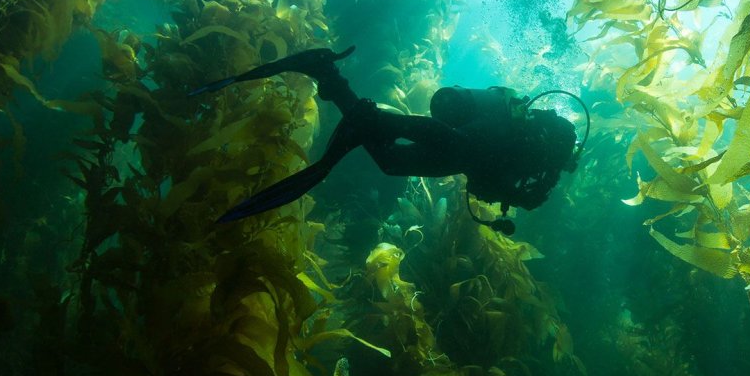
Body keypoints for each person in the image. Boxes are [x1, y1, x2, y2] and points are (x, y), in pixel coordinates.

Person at [189, 46, 583, 233]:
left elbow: (491, 182)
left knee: (392, 163)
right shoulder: (550, 156)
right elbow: (523, 193)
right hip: (483, 139)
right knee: (451, 142)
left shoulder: (544, 152)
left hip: (476, 149)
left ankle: (330, 77)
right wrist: (525, 195)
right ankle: (368, 116)